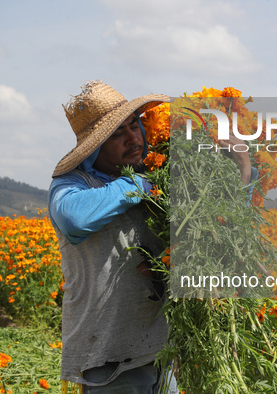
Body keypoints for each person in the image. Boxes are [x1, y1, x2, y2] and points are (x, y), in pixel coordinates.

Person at [49, 80, 253, 393]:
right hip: (111, 361)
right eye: (116, 134)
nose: (133, 138)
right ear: (95, 146)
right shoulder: (74, 185)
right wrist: (144, 184)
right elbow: (74, 218)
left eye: (134, 125)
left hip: (164, 354)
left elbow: (223, 227)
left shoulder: (161, 176)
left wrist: (242, 172)